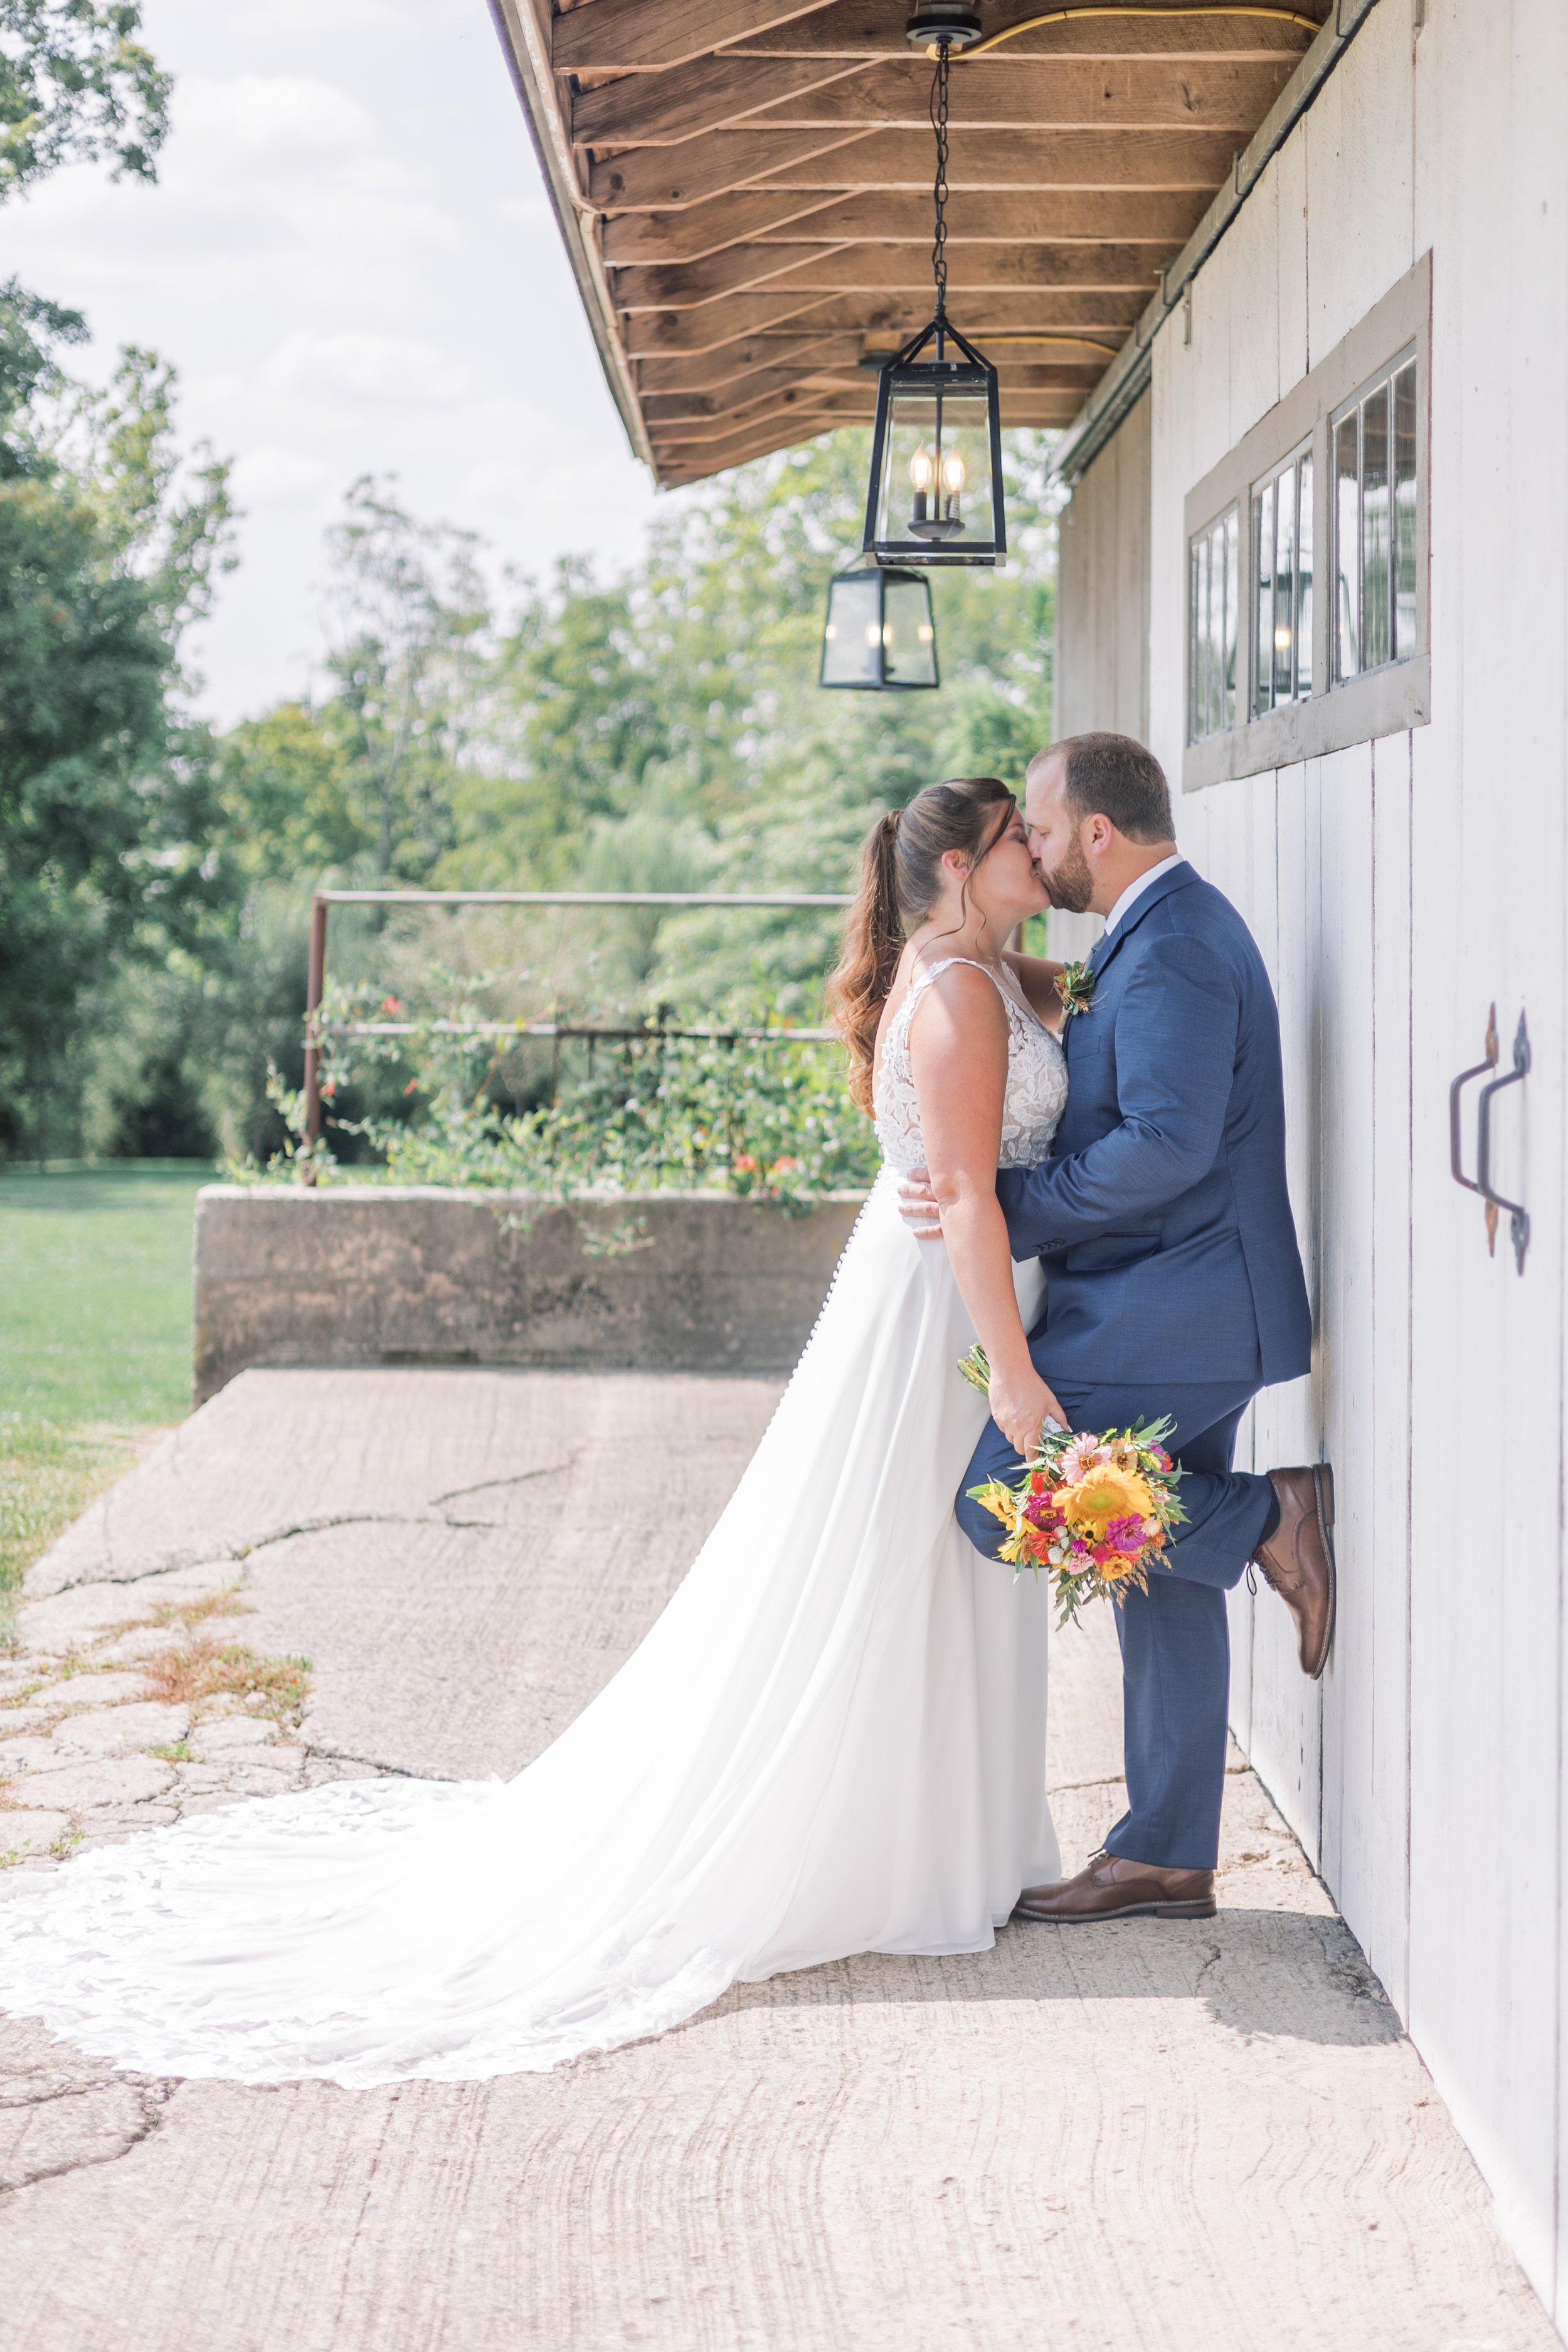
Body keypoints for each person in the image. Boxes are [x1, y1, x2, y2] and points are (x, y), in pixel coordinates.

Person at [0, 776, 1076, 2087]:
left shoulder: (978, 974)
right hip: (949, 1320)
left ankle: (943, 1840)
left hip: (939, 1296)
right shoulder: (960, 995)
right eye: (1019, 837)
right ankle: (903, 1851)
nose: (1039, 848)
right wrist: (1011, 1377)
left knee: (929, 1572)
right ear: (961, 866)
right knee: (906, 1569)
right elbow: (963, 1189)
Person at [899, 733, 1334, 1926]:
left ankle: (1268, 1517)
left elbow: (1167, 1144)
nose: (1035, 848)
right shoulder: (1143, 937)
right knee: (1156, 1573)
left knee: (1004, 1500)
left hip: (1182, 1303)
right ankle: (1167, 1852)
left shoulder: (1176, 946)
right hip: (1177, 1294)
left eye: (1041, 828)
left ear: (1098, 832)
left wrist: (1007, 1208)